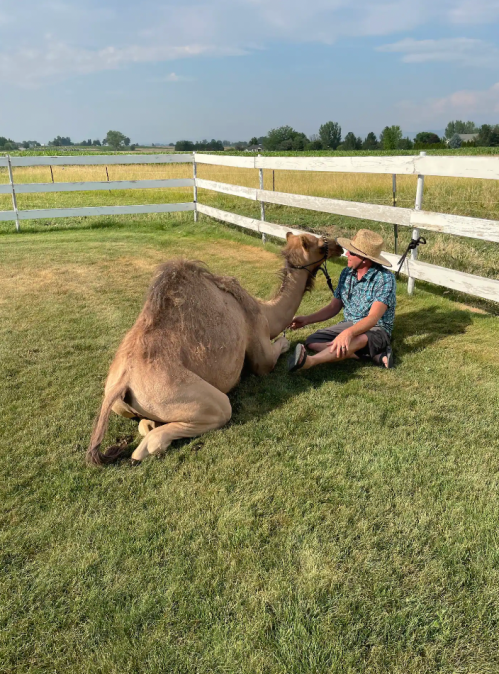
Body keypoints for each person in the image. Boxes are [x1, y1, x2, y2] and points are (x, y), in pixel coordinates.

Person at [287, 229, 396, 372]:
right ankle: (371, 355)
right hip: (349, 323)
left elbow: (373, 318)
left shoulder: (385, 279)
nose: (347, 254)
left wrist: (348, 333)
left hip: (376, 328)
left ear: (365, 259)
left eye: (352, 252)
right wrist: (306, 320)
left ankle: (310, 361)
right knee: (312, 342)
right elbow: (334, 307)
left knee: (359, 340)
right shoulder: (346, 273)